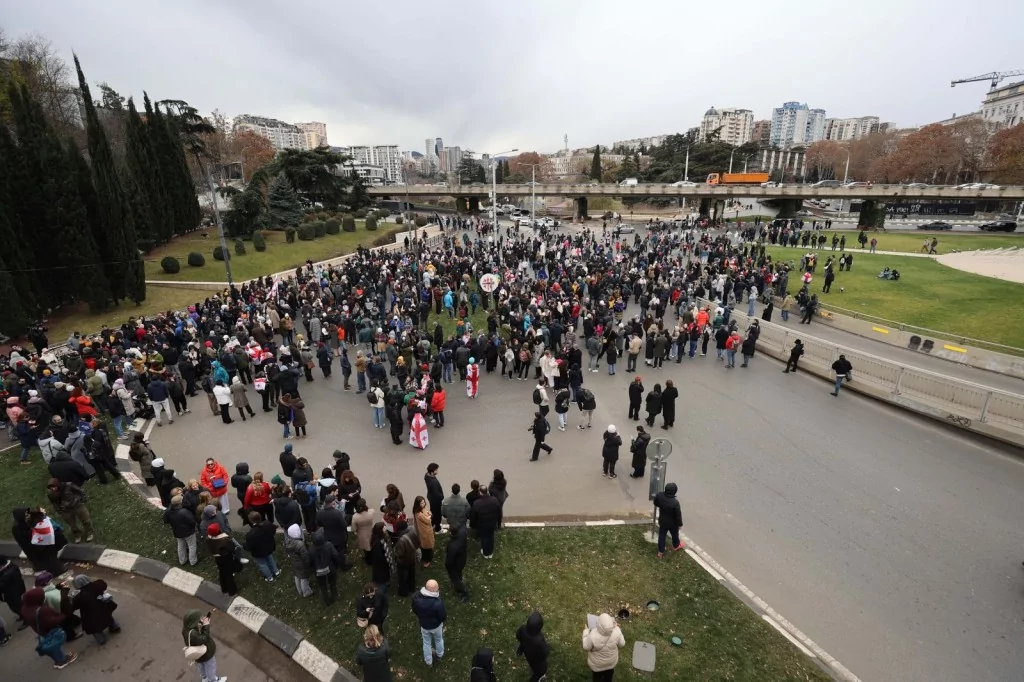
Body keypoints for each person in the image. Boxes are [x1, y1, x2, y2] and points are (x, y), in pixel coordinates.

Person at [21, 586, 78, 669]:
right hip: (49, 630)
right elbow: (52, 621)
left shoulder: (25, 608)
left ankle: (57, 659)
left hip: (39, 630)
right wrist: (63, 615)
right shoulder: (42, 610)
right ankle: (62, 661)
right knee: (54, 644)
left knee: (50, 644)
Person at [71, 574, 119, 645]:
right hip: (103, 607)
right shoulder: (97, 585)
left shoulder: (79, 597)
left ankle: (101, 640)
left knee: (94, 628)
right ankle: (115, 627)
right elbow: (104, 585)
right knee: (108, 617)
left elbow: (75, 606)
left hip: (90, 615)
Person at [182, 610, 226, 682]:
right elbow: (204, 638)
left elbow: (197, 634)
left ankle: (204, 678)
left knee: (201, 666)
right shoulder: (193, 634)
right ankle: (213, 680)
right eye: (199, 619)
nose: (201, 619)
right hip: (205, 654)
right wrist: (206, 626)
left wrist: (201, 624)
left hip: (198, 656)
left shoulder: (186, 629)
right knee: (210, 667)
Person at [410, 579, 446, 666]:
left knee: (426, 642)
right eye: (437, 588)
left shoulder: (416, 598)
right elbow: (442, 617)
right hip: (436, 626)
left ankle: (428, 661)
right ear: (434, 590)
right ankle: (440, 654)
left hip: (424, 625)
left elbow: (415, 610)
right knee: (438, 640)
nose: (438, 589)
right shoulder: (438, 603)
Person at [46, 478, 93, 543]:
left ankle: (89, 532)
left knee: (86, 520)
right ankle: (77, 535)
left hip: (77, 505)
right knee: (72, 525)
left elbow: (80, 491)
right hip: (65, 510)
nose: (53, 489)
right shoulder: (51, 494)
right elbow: (54, 503)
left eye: (54, 487)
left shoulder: (68, 485)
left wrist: (83, 500)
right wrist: (59, 511)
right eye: (51, 488)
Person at [582, 613, 626, 682]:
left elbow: (586, 647)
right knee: (608, 677)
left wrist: (585, 632)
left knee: (597, 678)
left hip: (597, 665)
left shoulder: (592, 635)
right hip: (611, 662)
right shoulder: (617, 631)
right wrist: (617, 628)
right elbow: (622, 644)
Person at [309, 529, 343, 605]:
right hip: (331, 568)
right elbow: (335, 556)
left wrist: (313, 569)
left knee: (323, 587)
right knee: (333, 584)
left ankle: (327, 601)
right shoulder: (328, 545)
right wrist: (338, 565)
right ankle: (335, 597)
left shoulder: (311, 549)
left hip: (318, 572)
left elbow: (309, 562)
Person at [244, 511, 280, 582]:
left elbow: (249, 546)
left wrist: (244, 546)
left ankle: (270, 577)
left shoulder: (250, 534)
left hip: (259, 552)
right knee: (270, 558)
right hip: (268, 546)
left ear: (251, 520)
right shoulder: (267, 524)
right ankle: (276, 571)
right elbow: (273, 530)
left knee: (263, 564)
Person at [163, 494, 198, 566]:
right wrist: (192, 527)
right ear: (179, 502)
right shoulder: (184, 511)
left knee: (181, 546)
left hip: (177, 532)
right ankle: (193, 561)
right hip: (188, 532)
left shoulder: (168, 511)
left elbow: (165, 520)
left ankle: (182, 560)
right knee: (192, 545)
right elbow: (192, 521)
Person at [208, 523, 243, 596]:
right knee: (228, 574)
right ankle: (232, 590)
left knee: (222, 572)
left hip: (217, 558)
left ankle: (224, 588)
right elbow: (231, 548)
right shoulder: (223, 540)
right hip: (226, 557)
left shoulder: (208, 538)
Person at [516, 611, 551, 682]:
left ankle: (519, 651)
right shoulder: (539, 641)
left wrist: (521, 647)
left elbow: (518, 635)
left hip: (527, 653)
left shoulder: (523, 629)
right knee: (539, 673)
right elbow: (545, 652)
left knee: (533, 666)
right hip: (537, 661)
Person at [653, 482, 685, 558]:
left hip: (662, 521)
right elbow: (678, 516)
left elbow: (655, 502)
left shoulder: (660, 495)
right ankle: (676, 545)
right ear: (674, 491)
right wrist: (680, 524)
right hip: (672, 524)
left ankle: (660, 552)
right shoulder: (675, 503)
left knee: (662, 535)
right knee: (674, 534)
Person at [282, 524, 314, 598]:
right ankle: (306, 592)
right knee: (304, 578)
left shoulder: (287, 542)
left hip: (294, 562)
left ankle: (299, 590)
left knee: (297, 576)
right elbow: (305, 556)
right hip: (302, 563)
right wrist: (309, 564)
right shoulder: (300, 544)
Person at [470, 488, 501, 559]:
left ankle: (486, 553)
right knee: (491, 536)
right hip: (492, 523)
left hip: (482, 524)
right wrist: (498, 522)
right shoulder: (494, 500)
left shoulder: (477, 503)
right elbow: (499, 512)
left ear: (480, 493)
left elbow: (473, 516)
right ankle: (490, 552)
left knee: (484, 538)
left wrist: (473, 524)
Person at [445, 522, 470, 602]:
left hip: (455, 564)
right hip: (462, 559)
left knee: (455, 579)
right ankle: (460, 579)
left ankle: (463, 592)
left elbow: (450, 560)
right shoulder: (462, 534)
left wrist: (447, 566)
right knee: (459, 573)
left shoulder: (452, 545)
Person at [413, 496, 435, 567]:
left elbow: (428, 512)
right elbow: (428, 520)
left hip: (426, 531)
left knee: (426, 546)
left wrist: (429, 515)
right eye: (421, 503)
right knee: (427, 547)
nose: (423, 504)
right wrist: (429, 516)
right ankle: (427, 561)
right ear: (418, 504)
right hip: (425, 532)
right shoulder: (419, 514)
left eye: (423, 502)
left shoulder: (420, 510)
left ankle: (427, 558)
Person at [424, 463, 444, 533]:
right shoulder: (433, 482)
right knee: (438, 514)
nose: (438, 471)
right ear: (433, 471)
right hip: (436, 500)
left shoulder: (427, 476)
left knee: (433, 512)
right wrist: (442, 497)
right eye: (437, 469)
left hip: (431, 497)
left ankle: (432, 524)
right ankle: (438, 528)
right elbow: (437, 494)